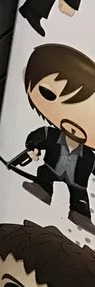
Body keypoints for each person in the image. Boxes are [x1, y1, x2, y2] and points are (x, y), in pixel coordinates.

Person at [16, 43, 95, 233]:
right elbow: (36, 138)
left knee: (79, 197)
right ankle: (43, 190)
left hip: (77, 182)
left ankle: (80, 215)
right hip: (51, 169)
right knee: (44, 176)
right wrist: (32, 148)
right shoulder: (50, 135)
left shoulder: (89, 157)